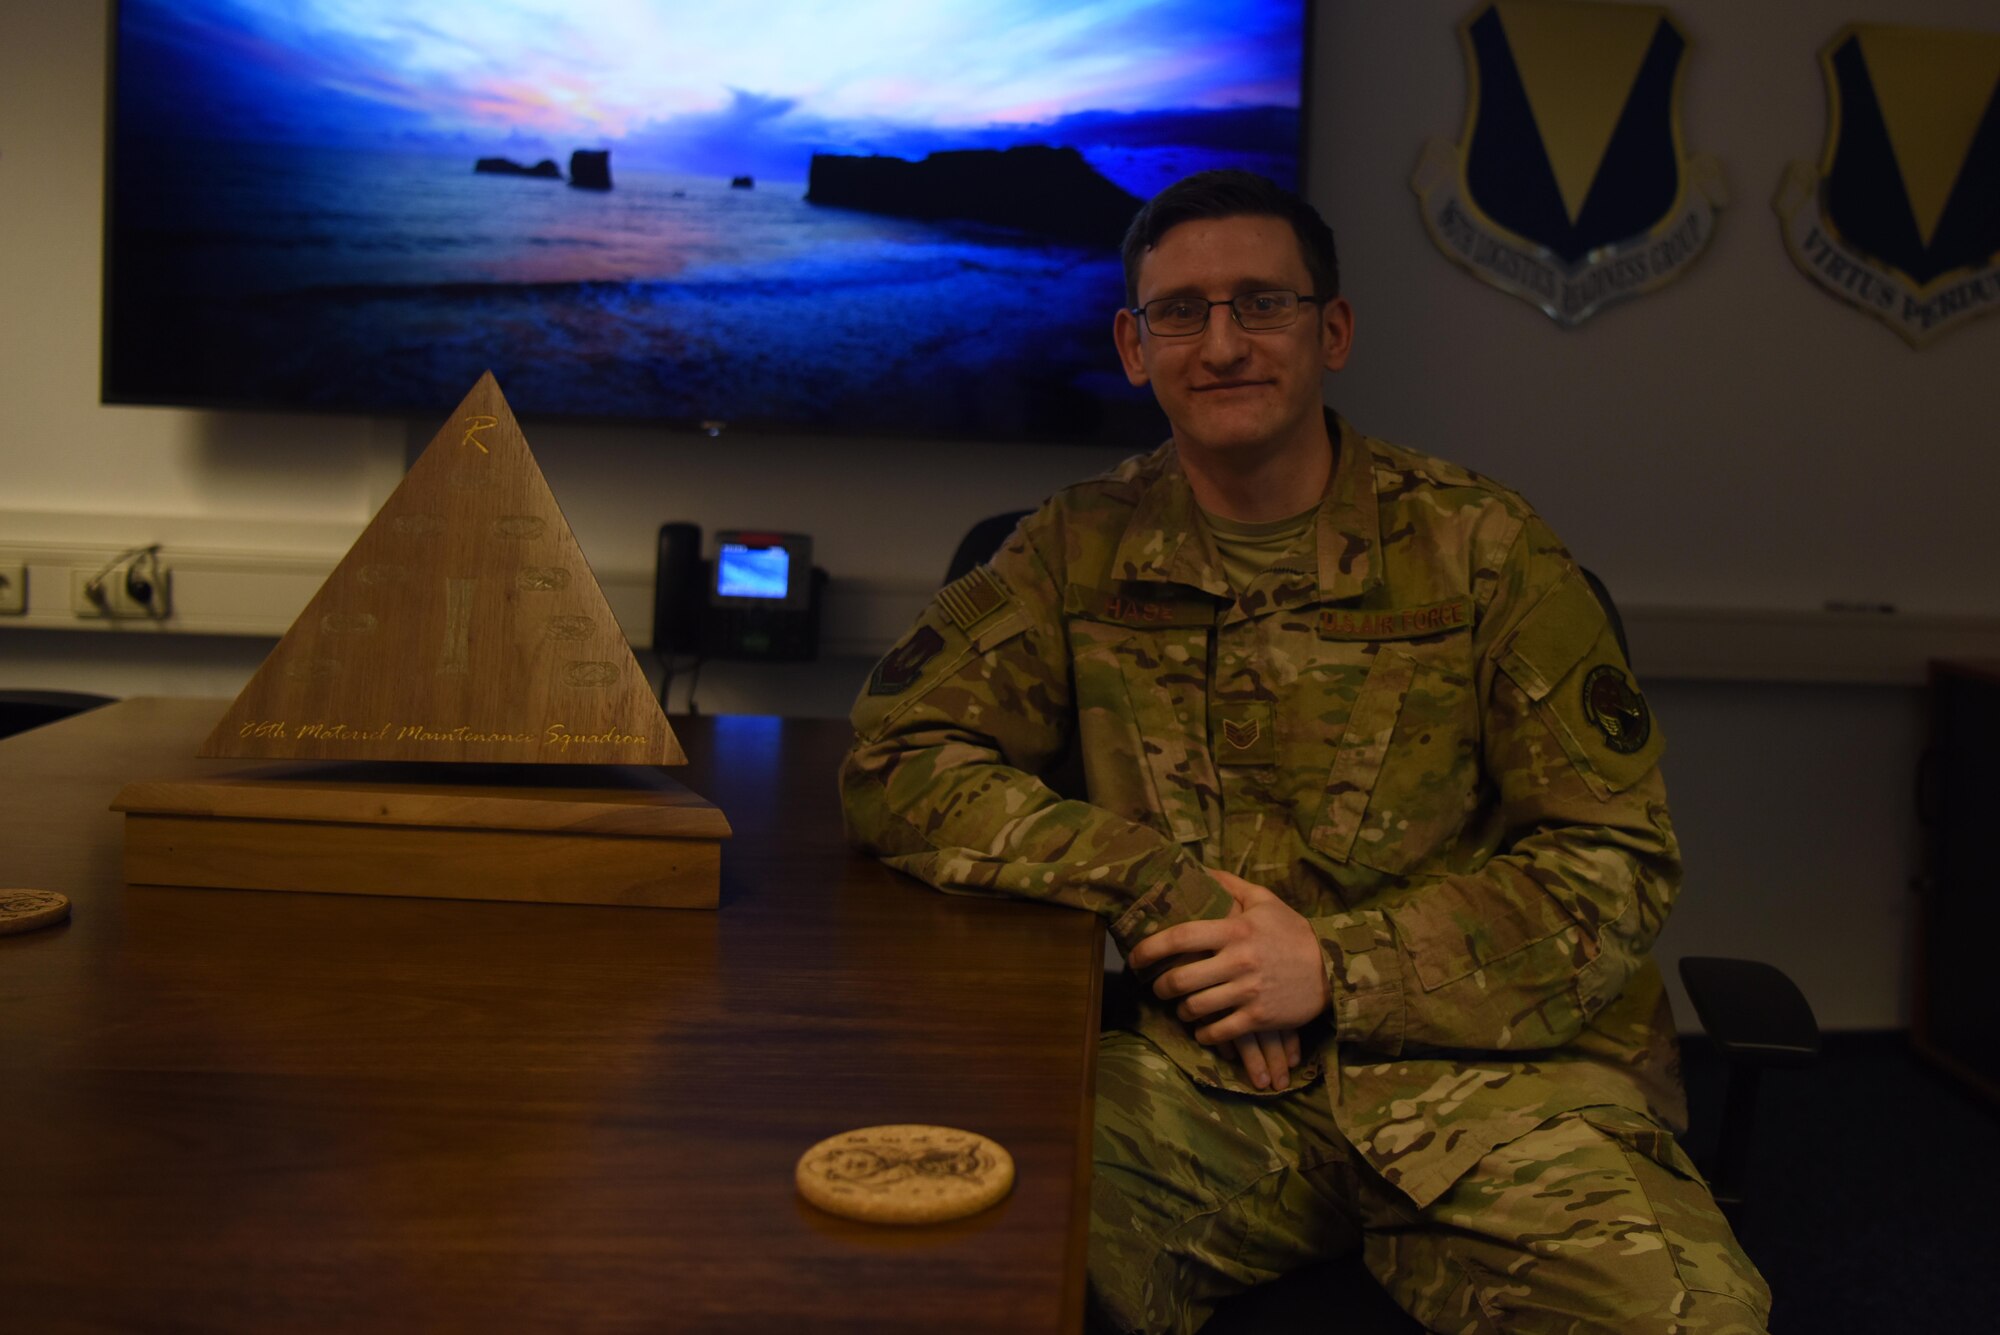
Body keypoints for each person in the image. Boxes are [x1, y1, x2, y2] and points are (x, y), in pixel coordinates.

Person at [840, 171, 1770, 1335]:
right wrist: (1154, 887)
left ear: (1329, 329)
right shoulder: (1072, 552)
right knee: (956, 1267)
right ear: (1134, 348)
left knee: (1687, 1324)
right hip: (1201, 1082)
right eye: (1180, 312)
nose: (1220, 343)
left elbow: (1614, 863)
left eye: (1261, 304)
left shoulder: (1482, 550)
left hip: (1499, 1084)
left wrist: (1336, 968)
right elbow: (897, 758)